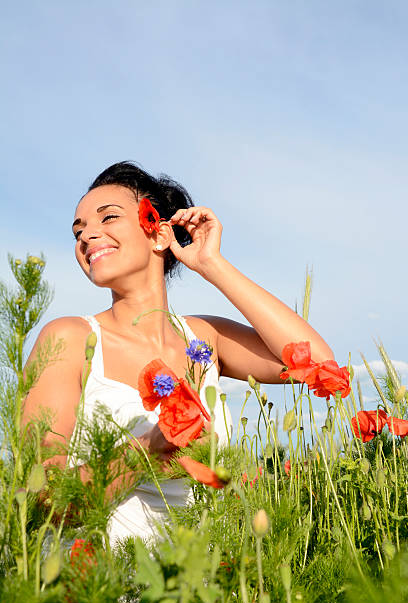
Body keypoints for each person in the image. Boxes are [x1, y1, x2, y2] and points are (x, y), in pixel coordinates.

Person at [23, 161, 334, 542]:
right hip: (101, 587)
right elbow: (41, 503)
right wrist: (148, 450)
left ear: (158, 233)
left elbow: (317, 365)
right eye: (79, 229)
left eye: (109, 218)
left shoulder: (204, 338)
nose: (88, 235)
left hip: (199, 585)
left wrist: (212, 264)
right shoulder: (70, 338)